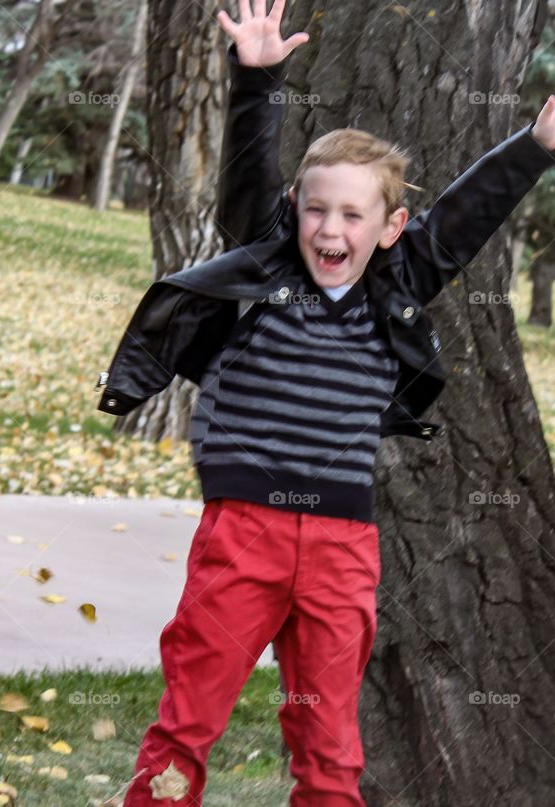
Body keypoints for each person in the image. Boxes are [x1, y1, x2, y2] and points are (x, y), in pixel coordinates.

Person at [97, 0, 555, 804]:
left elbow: (462, 221)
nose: (329, 228)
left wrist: (537, 147)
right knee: (185, 728)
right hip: (244, 537)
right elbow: (245, 178)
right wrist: (257, 77)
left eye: (352, 213)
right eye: (315, 209)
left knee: (331, 747)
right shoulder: (266, 266)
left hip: (344, 548)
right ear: (292, 215)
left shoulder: (399, 285)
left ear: (390, 227)